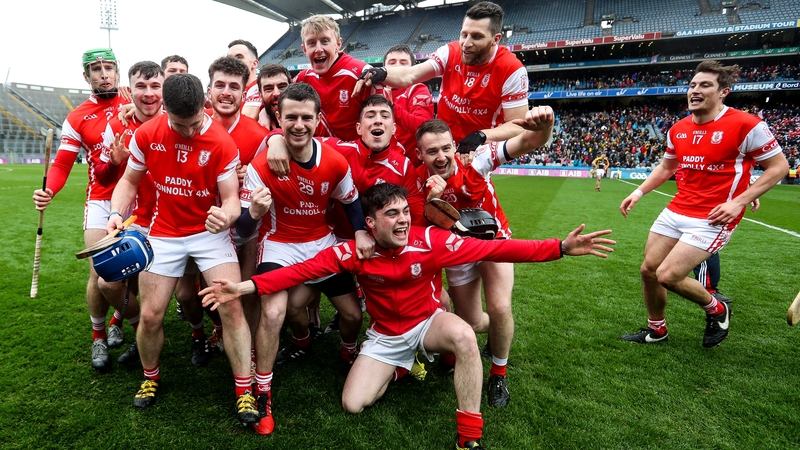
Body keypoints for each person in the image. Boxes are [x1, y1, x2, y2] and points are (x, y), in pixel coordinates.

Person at [200, 182, 615, 450]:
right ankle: (400, 369)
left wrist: (559, 247)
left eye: (404, 213)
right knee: (353, 404)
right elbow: (299, 272)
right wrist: (243, 286)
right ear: (371, 223)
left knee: (467, 337)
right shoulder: (353, 252)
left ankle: (468, 436)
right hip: (385, 335)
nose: (402, 221)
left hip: (428, 322)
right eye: (391, 216)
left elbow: (497, 250)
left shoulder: (431, 241)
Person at [106, 73, 258, 424]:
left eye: (194, 124)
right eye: (180, 125)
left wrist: (227, 215)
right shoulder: (147, 134)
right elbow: (129, 182)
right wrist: (116, 213)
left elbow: (233, 199)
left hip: (209, 232)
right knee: (150, 315)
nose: (189, 132)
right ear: (165, 110)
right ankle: (150, 378)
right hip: (164, 231)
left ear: (203, 106)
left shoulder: (221, 141)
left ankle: (244, 390)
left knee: (231, 308)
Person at [235, 82, 373, 436]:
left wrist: (359, 230)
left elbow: (351, 201)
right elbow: (246, 226)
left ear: (318, 119)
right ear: (278, 117)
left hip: (322, 243)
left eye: (306, 117)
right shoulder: (261, 163)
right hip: (279, 245)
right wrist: (253, 210)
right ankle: (263, 393)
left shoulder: (334, 160)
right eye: (291, 117)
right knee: (274, 313)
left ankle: (346, 350)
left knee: (353, 314)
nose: (298, 124)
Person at [619, 60, 789, 347]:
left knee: (669, 275)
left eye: (705, 85)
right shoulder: (678, 129)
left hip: (714, 216)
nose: (695, 90)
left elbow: (779, 167)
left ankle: (718, 309)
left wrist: (739, 202)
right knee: (648, 270)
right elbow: (666, 168)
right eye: (692, 85)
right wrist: (639, 192)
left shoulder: (747, 125)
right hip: (677, 209)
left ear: (724, 92)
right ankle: (657, 330)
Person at [415, 106, 553, 408]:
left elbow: (529, 141)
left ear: (455, 146)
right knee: (474, 321)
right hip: (459, 252)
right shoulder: (416, 182)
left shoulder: (477, 160)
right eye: (432, 152)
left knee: (501, 305)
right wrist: (430, 200)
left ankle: (498, 373)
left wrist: (547, 123)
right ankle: (498, 331)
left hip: (494, 243)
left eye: (446, 148)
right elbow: (419, 231)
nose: (441, 157)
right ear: (420, 154)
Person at [32, 48, 130, 372]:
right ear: (85, 76)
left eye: (108, 67)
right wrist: (49, 190)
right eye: (96, 69)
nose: (103, 74)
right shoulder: (76, 117)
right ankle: (99, 335)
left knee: (137, 272)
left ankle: (119, 319)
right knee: (100, 271)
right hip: (101, 199)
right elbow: (61, 164)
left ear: (117, 71)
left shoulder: (135, 103)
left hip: (139, 197)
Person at [355, 1, 528, 150]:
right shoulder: (450, 52)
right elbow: (410, 75)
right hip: (442, 143)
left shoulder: (512, 69)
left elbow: (518, 124)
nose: (466, 44)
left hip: (477, 147)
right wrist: (383, 72)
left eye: (476, 37)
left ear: (496, 39)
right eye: (464, 34)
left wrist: (482, 135)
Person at [94, 61, 167, 366]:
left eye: (155, 86)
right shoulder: (117, 126)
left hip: (172, 226)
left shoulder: (177, 119)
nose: (148, 93)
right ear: (130, 88)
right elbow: (102, 178)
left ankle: (201, 335)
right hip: (137, 224)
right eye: (141, 86)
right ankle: (139, 332)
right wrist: (113, 162)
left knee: (184, 294)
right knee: (107, 282)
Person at [207, 55, 270, 359]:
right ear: (209, 90)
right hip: (203, 227)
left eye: (234, 86)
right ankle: (217, 327)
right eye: (220, 84)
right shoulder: (195, 125)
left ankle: (255, 349)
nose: (226, 92)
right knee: (194, 296)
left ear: (244, 94)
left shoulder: (258, 137)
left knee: (247, 290)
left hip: (245, 226)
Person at [292, 14, 382, 142]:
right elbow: (275, 95)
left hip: (358, 155)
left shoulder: (362, 74)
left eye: (325, 41)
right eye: (312, 43)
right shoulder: (304, 77)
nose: (318, 49)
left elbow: (384, 122)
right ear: (304, 49)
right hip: (322, 153)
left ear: (338, 44)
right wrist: (264, 112)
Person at [381, 44, 434, 162]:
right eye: (392, 62)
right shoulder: (374, 91)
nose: (397, 67)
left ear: (412, 69)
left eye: (403, 63)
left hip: (411, 166)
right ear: (383, 67)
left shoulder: (417, 89)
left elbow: (423, 127)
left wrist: (391, 107)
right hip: (379, 165)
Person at [227, 39, 262, 121]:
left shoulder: (259, 89)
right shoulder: (228, 91)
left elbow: (244, 122)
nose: (232, 62)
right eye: (229, 58)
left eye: (239, 57)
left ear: (254, 64)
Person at [256, 63, 291, 130]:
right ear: (260, 95)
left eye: (282, 87)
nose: (276, 93)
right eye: (269, 89)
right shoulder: (255, 131)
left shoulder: (308, 121)